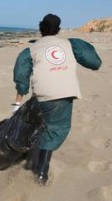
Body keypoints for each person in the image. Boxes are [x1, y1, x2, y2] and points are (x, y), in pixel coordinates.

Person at [12, 14, 102, 185]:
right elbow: (94, 62)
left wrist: (17, 103)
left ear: (40, 29)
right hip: (64, 94)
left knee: (40, 125)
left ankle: (28, 157)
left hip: (42, 95)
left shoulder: (30, 50)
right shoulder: (70, 44)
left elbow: (21, 76)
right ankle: (41, 172)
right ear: (58, 30)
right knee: (55, 129)